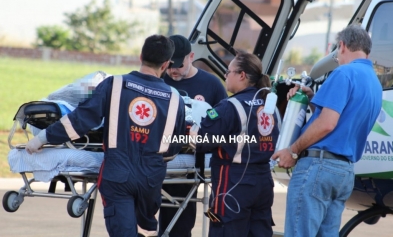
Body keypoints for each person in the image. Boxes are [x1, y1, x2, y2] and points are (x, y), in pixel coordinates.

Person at [25, 34, 186, 237]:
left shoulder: (114, 85)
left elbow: (80, 121)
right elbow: (174, 144)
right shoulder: (175, 99)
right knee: (147, 231)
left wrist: (41, 139)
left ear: (140, 56)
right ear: (165, 64)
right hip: (151, 179)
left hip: (118, 173)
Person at [271, 25, 383, 236]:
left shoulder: (343, 73)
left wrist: (292, 150)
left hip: (318, 168)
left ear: (341, 46)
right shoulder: (374, 82)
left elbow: (327, 124)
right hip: (344, 172)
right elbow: (341, 119)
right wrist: (314, 98)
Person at [191, 51, 279, 236]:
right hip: (264, 182)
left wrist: (192, 131)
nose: (225, 76)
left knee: (223, 228)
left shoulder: (229, 107)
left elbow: (202, 141)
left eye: (228, 71)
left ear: (242, 75)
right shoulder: (268, 105)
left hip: (233, 182)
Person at [158, 34, 228, 237]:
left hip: (189, 162)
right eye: (169, 65)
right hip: (157, 155)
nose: (173, 70)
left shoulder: (212, 85)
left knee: (178, 224)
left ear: (191, 56)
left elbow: (223, 123)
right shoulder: (159, 79)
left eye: (178, 65)